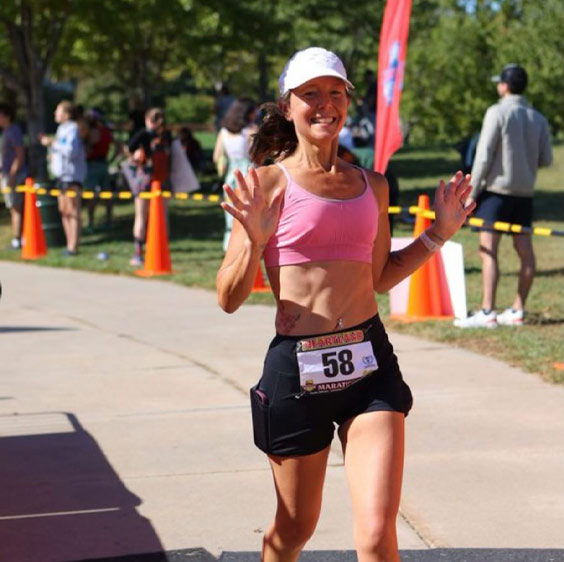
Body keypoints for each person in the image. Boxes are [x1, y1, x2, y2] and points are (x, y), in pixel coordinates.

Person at [216, 46, 474, 562]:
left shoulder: (371, 186)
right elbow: (228, 297)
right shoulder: (266, 185)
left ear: (347, 101)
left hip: (367, 363)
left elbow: (379, 279)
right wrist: (253, 240)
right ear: (288, 106)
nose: (324, 104)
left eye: (335, 92)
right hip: (297, 368)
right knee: (293, 531)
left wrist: (438, 235)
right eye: (310, 94)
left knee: (378, 538)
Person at [454, 64, 552, 329]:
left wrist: (470, 192)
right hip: (525, 194)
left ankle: (488, 311)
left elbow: (483, 156)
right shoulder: (538, 118)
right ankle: (517, 310)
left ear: (504, 86)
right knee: (525, 253)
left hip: (496, 192)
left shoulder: (496, 112)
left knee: (488, 252)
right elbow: (547, 158)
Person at [39, 100, 87, 256]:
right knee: (64, 211)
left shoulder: (72, 129)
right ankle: (69, 244)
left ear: (66, 114)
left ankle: (74, 246)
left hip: (71, 176)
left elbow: (70, 151)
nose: (55, 113)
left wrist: (53, 143)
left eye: (58, 111)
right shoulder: (62, 129)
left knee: (72, 211)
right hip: (61, 176)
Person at [126, 107, 172, 266]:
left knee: (141, 216)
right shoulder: (167, 136)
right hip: (162, 180)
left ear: (147, 120)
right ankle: (161, 249)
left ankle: (138, 253)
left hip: (145, 178)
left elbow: (129, 149)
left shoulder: (143, 134)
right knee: (161, 216)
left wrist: (135, 156)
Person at [212, 97, 257, 251]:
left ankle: (229, 246)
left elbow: (216, 156)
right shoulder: (251, 130)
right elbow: (256, 155)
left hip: (231, 175)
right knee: (249, 214)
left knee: (230, 215)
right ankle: (246, 246)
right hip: (248, 173)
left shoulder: (223, 132)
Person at [0, 103, 27, 249]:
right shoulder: (6, 132)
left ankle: (18, 239)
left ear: (7, 116)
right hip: (7, 175)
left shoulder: (13, 131)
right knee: (12, 207)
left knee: (16, 207)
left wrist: (12, 174)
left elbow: (19, 154)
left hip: (14, 176)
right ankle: (17, 238)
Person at [84, 108, 114, 232]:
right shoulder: (106, 131)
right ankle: (108, 221)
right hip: (103, 164)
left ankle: (91, 223)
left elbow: (89, 148)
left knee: (91, 195)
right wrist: (112, 159)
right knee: (106, 194)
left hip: (93, 165)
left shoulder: (93, 132)